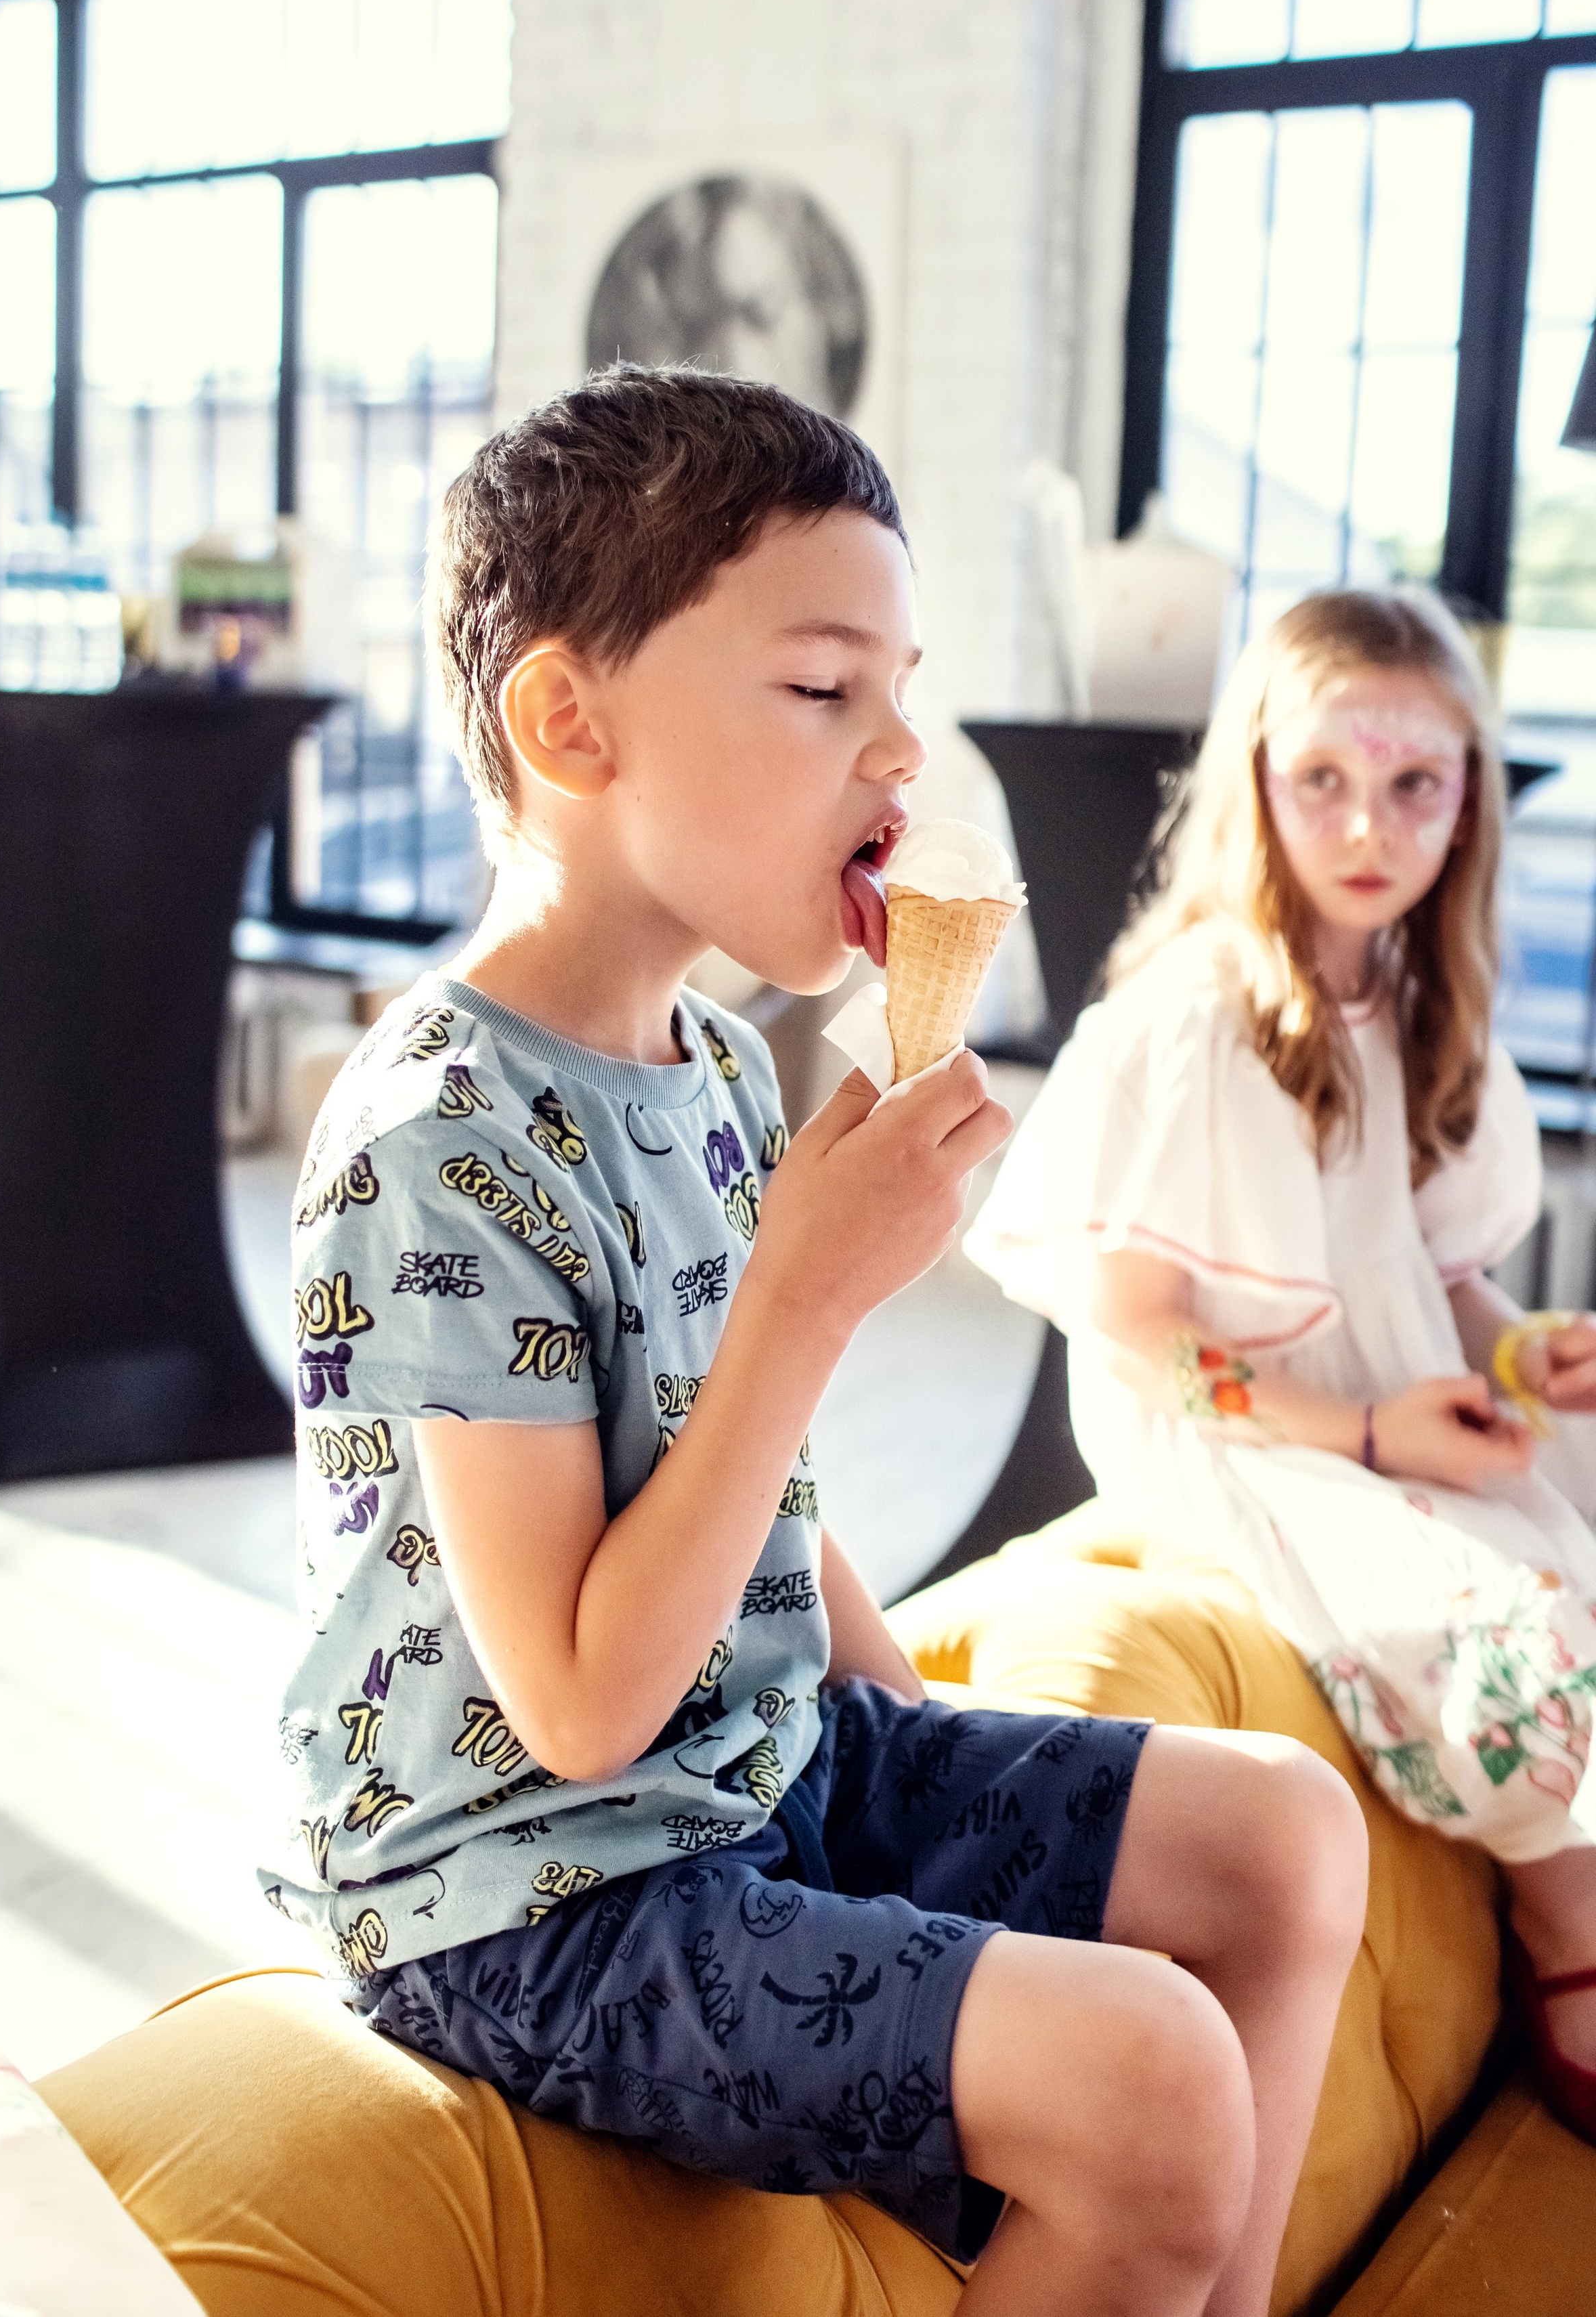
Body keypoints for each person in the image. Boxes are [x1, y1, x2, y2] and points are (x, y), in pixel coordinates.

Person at [261, 368, 1366, 2315]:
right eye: (820, 688)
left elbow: (751, 1486)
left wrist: (924, 1753)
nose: (898, 757)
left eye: (903, 693)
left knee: (1285, 1834)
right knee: (1155, 2082)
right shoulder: (438, 1134)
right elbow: (582, 1712)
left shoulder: (707, 1061)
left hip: (759, 1773)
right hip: (539, 1892)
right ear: (566, 719)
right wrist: (809, 1292)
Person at [968, 586, 1596, 2146]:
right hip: (1237, 1422)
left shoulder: (1417, 1002)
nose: (1365, 823)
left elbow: (1433, 1270)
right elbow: (1133, 1326)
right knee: (1515, 1622)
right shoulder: (1189, 1023)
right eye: (1321, 777)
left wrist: (1519, 1347)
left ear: (1464, 804)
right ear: (1255, 775)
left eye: (1411, 786)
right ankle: (1562, 1929)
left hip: (1380, 1390)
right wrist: (1372, 1430)